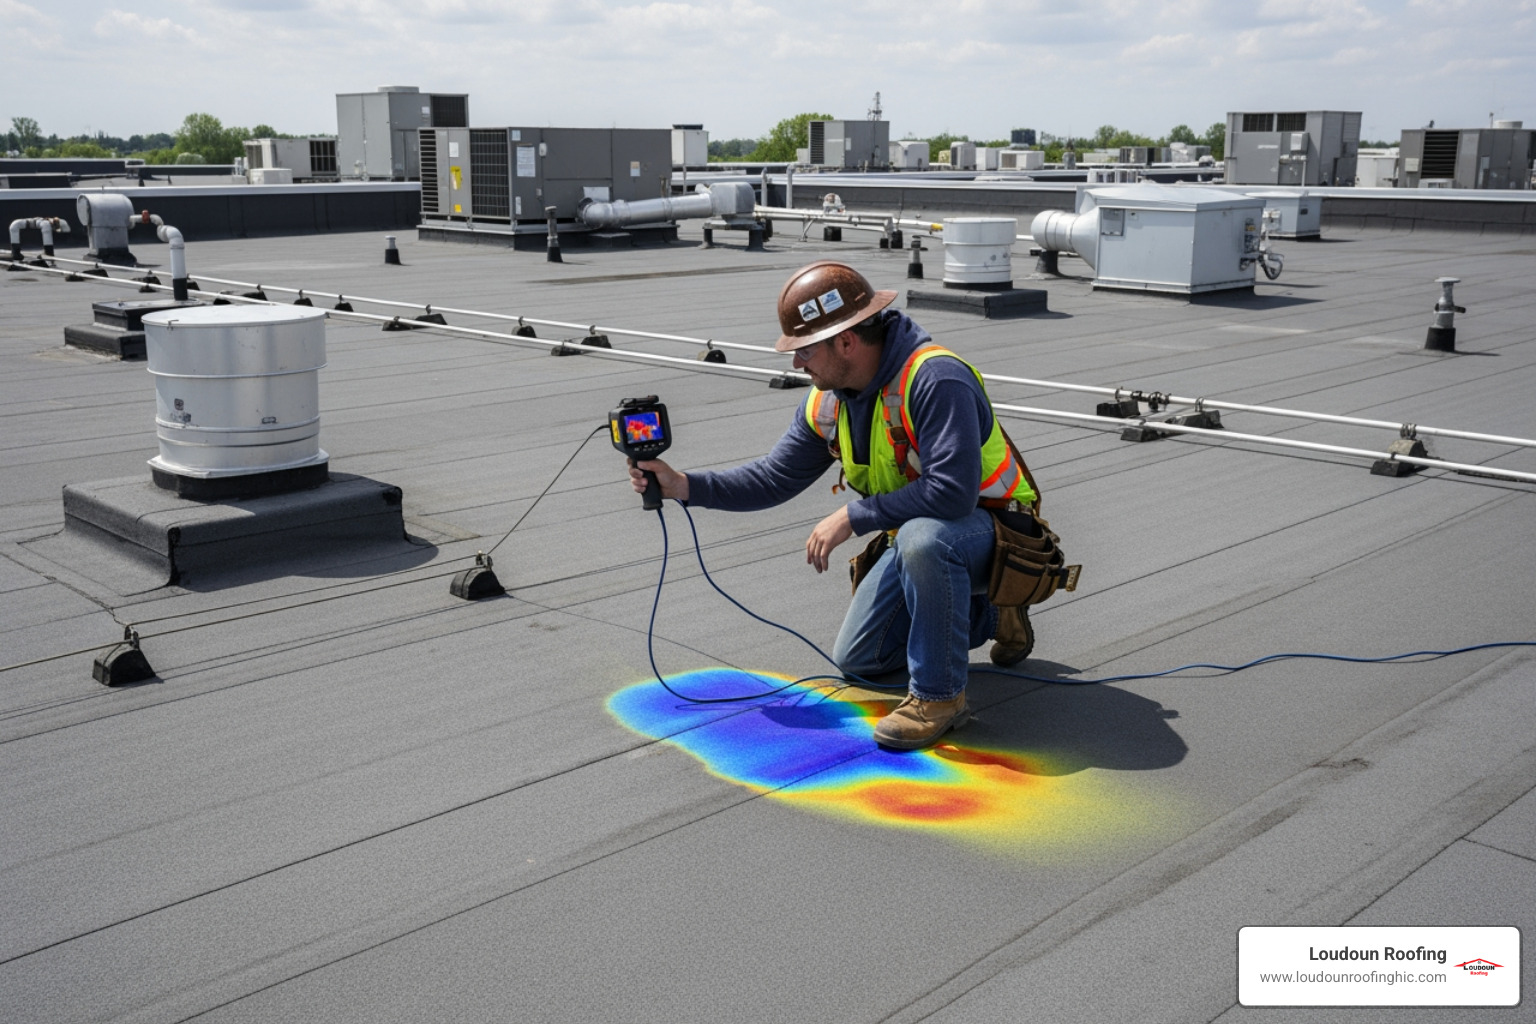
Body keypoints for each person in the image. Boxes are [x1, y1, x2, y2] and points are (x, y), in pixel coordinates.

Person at [630, 261, 1039, 750]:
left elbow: (951, 493)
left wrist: (853, 515)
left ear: (846, 340)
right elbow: (773, 477)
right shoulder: (830, 400)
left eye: (804, 350)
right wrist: (682, 485)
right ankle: (993, 616)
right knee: (860, 659)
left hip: (995, 534)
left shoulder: (935, 378)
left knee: (922, 537)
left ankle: (940, 697)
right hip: (928, 540)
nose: (798, 364)